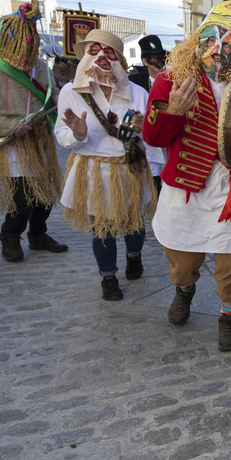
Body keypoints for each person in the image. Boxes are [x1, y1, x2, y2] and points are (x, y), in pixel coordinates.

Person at [142, 0, 231, 352]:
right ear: (196, 39)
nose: (218, 48)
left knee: (230, 265)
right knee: (182, 261)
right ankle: (184, 291)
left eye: (229, 42)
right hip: (186, 190)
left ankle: (228, 317)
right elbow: (153, 137)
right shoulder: (170, 80)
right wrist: (173, 112)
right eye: (210, 38)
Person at [0, 1, 68, 262]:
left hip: (39, 139)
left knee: (46, 193)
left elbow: (53, 94)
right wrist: (9, 126)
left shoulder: (39, 66)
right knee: (23, 196)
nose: (30, 44)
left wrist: (67, 100)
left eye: (33, 38)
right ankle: (10, 236)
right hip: (9, 141)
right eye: (24, 38)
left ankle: (38, 235)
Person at [54, 30, 158, 301]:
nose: (100, 57)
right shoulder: (70, 91)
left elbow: (152, 137)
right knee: (103, 227)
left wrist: (142, 127)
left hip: (130, 167)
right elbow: (61, 135)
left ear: (119, 61)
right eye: (93, 51)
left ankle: (134, 256)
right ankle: (108, 276)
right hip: (93, 170)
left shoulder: (137, 92)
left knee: (135, 224)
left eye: (108, 52)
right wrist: (78, 133)